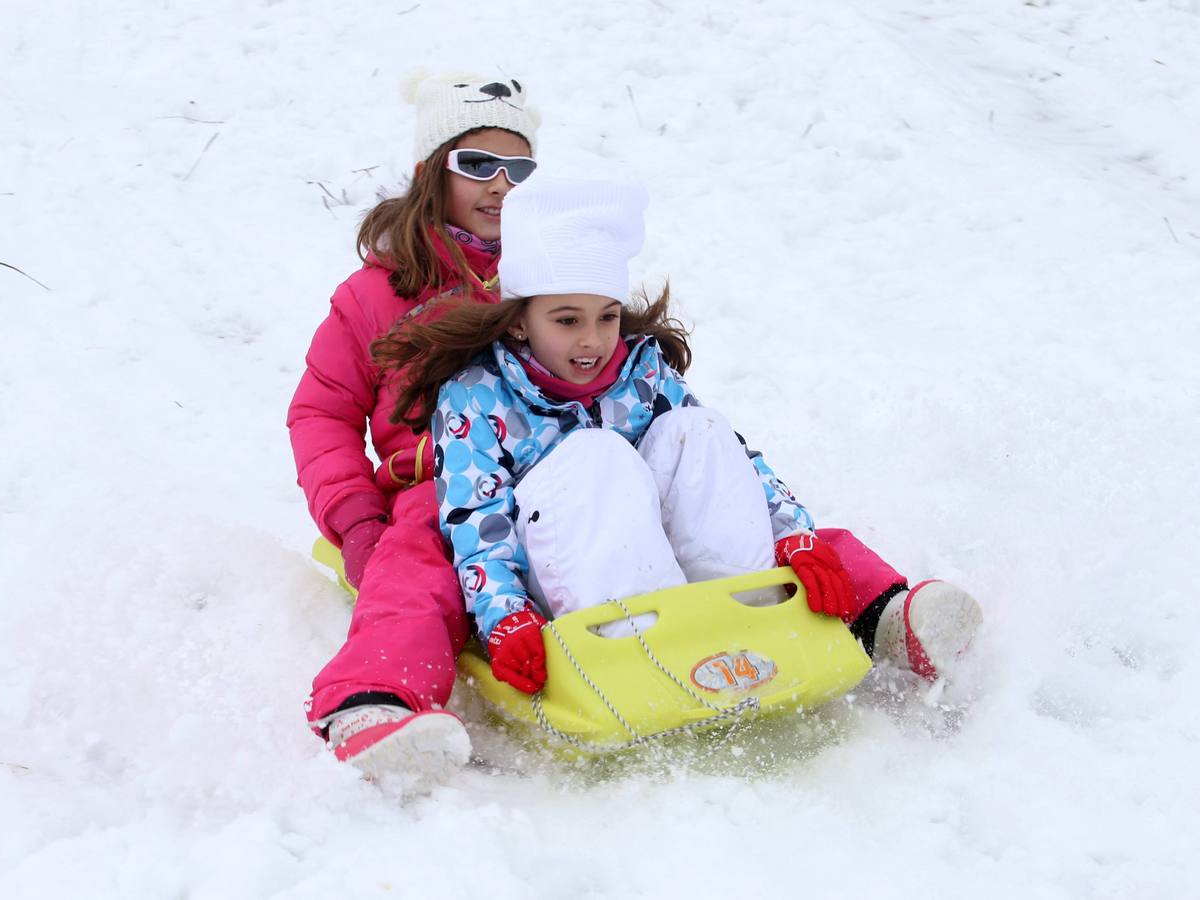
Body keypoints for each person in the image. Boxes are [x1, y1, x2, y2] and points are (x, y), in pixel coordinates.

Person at [372, 171, 983, 696]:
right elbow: (476, 517)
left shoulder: (641, 371)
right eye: (567, 321)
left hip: (657, 562)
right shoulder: (477, 394)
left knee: (697, 430)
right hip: (570, 595)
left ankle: (749, 609)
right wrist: (505, 618)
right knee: (594, 454)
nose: (592, 340)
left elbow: (732, 460)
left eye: (606, 317)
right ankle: (638, 639)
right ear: (521, 322)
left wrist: (793, 536)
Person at [286, 71, 541, 782]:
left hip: (551, 466)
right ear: (434, 173)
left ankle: (866, 603)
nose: (501, 185)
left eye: (519, 168)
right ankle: (374, 703)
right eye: (478, 165)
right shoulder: (377, 294)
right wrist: (356, 519)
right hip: (438, 486)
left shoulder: (552, 274)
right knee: (419, 563)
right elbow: (322, 411)